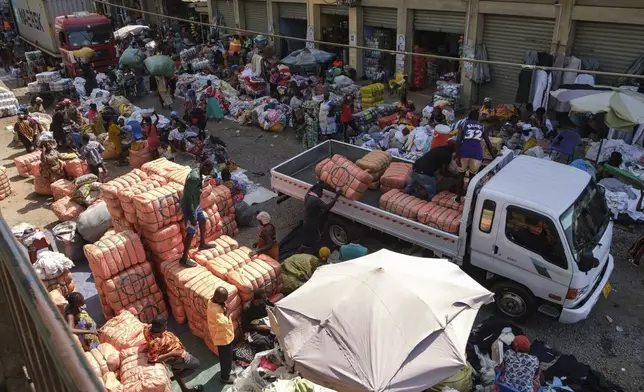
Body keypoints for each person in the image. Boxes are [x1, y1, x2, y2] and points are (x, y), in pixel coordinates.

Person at [144, 315, 203, 392]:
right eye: (164, 325)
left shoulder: (148, 328)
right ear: (158, 327)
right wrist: (172, 354)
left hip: (175, 353)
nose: (166, 327)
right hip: (177, 358)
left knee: (176, 369)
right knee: (196, 364)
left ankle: (184, 389)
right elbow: (152, 359)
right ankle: (172, 378)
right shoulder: (154, 342)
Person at [455, 110, 496, 202]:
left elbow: (458, 140)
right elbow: (488, 142)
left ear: (469, 116)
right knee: (472, 177)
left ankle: (458, 197)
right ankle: (469, 199)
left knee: (461, 175)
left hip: (464, 152)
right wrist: (494, 156)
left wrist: (457, 155)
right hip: (476, 154)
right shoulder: (482, 126)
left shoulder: (463, 124)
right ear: (477, 117)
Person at [180, 161, 215, 266]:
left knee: (203, 220)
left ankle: (202, 244)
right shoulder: (194, 178)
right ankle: (184, 258)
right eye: (208, 171)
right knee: (191, 231)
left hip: (196, 204)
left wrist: (203, 181)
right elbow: (189, 198)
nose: (208, 173)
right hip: (189, 207)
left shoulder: (197, 172)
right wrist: (192, 217)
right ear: (204, 166)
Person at [207, 287, 236, 384]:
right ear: (219, 299)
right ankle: (225, 377)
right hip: (222, 339)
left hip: (226, 335)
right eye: (224, 299)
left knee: (227, 356)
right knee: (225, 358)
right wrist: (227, 312)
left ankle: (227, 369)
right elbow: (223, 323)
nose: (226, 301)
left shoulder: (213, 301)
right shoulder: (214, 311)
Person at [302, 182, 341, 248]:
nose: (322, 194)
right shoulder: (315, 200)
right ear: (318, 191)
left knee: (308, 237)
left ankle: (307, 246)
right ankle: (312, 247)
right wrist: (336, 196)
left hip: (308, 220)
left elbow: (318, 184)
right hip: (312, 223)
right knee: (314, 239)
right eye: (321, 192)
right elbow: (327, 207)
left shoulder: (309, 193)